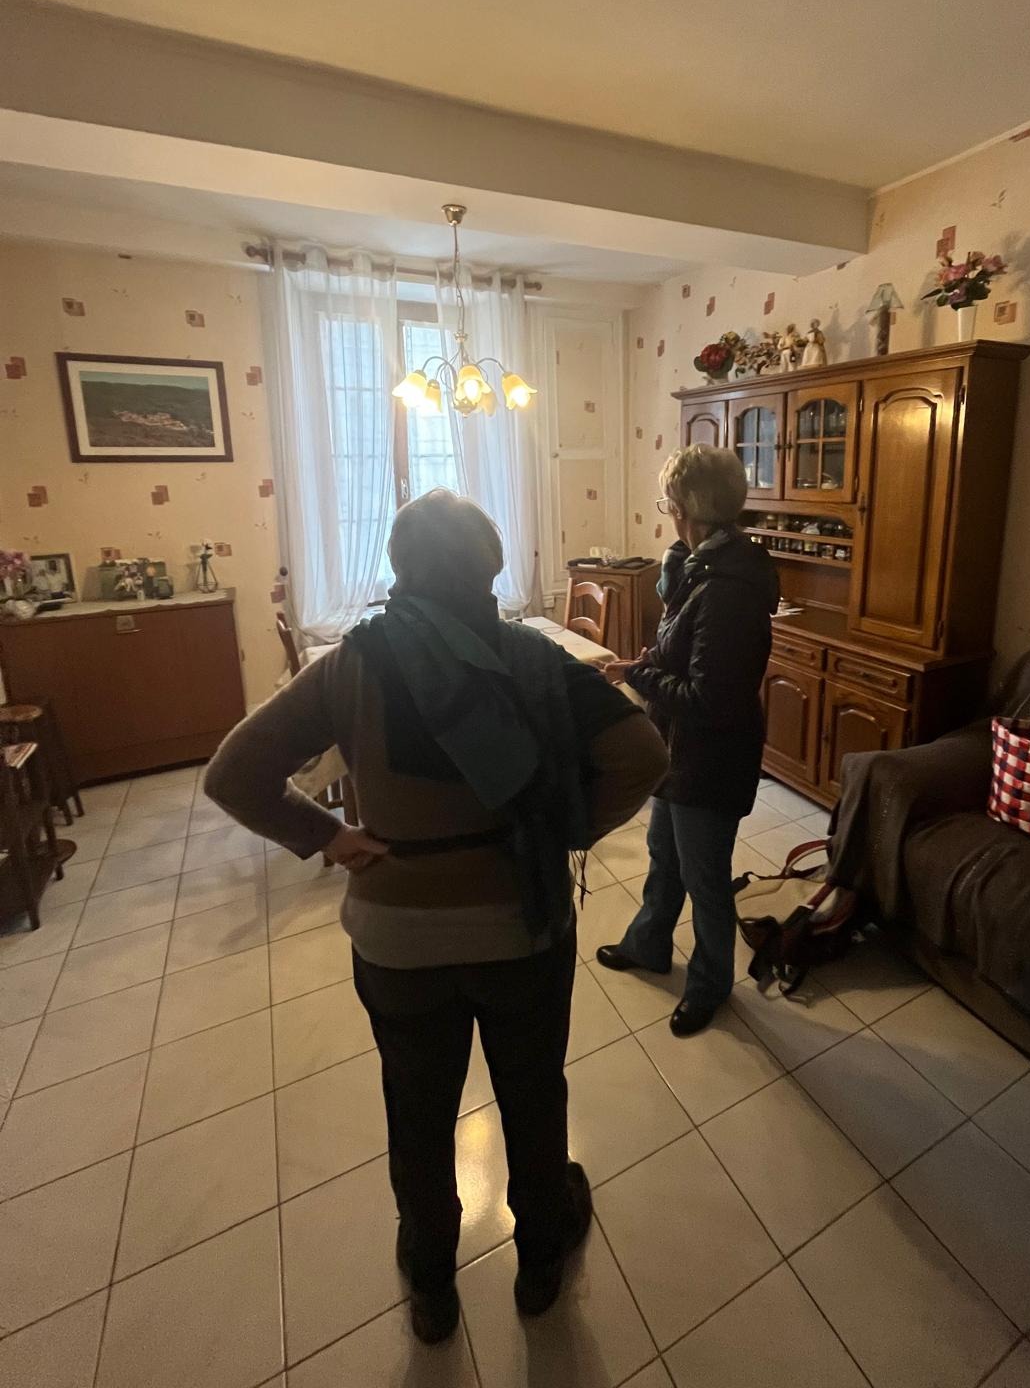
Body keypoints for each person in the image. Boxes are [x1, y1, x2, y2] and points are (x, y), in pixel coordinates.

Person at [204, 491, 667, 1345]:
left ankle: (431, 1280)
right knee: (534, 1093)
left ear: (399, 568)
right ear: (492, 567)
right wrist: (568, 831)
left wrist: (328, 837)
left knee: (416, 1109)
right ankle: (539, 1256)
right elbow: (643, 754)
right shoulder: (532, 655)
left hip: (398, 938)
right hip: (521, 927)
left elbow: (232, 773)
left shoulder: (353, 662)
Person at [598, 446, 779, 1036]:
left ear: (686, 509)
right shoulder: (704, 570)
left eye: (669, 504)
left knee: (705, 879)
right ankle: (648, 944)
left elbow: (709, 699)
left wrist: (638, 675)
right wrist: (653, 660)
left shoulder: (728, 589)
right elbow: (682, 644)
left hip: (711, 758)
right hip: (679, 751)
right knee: (664, 857)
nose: (668, 514)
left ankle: (710, 984)